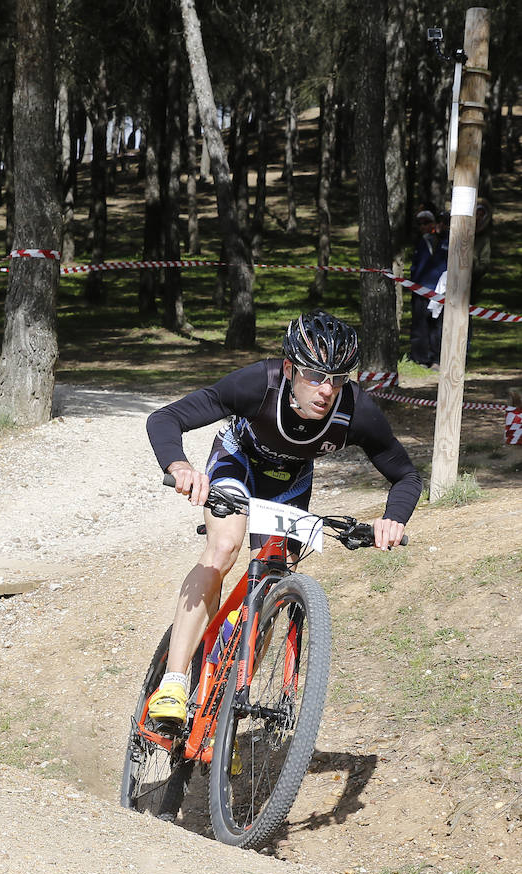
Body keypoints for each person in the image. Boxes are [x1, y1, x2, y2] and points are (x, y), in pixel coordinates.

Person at [145, 311, 422, 725]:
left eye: (338, 378)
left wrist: (393, 519)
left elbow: (406, 475)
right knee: (224, 547)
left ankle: (223, 712)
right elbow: (166, 418)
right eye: (314, 375)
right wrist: (180, 466)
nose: (327, 390)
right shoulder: (259, 383)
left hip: (290, 484)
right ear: (290, 368)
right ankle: (174, 681)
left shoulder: (356, 411)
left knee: (274, 584)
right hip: (237, 463)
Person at [409, 209, 449, 368]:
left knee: (437, 326)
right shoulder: (421, 241)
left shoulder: (448, 241)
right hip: (420, 290)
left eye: (427, 222)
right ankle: (420, 358)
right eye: (420, 224)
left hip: (440, 291)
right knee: (420, 324)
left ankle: (436, 358)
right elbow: (416, 266)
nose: (423, 226)